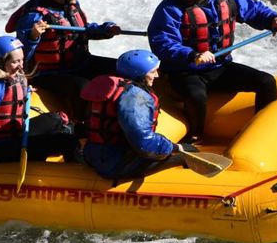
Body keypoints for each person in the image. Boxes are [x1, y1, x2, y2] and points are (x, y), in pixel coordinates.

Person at [147, 0, 277, 144]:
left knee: (266, 81)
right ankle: (195, 136)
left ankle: (262, 130)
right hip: (185, 70)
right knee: (196, 95)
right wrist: (192, 55)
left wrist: (273, 19)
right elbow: (162, 41)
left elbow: (254, 10)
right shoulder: (170, 8)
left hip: (220, 67)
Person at [4, 0, 120, 118]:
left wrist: (106, 30)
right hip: (48, 73)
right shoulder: (33, 16)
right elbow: (21, 54)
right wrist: (33, 36)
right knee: (81, 87)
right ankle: (80, 124)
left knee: (120, 67)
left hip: (79, 63)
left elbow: (82, 30)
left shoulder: (71, 5)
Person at [0, 36, 79, 163]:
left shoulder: (11, 76)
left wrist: (26, 91)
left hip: (14, 135)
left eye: (22, 60)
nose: (21, 66)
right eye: (16, 62)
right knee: (68, 142)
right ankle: (78, 173)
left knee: (55, 119)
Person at [80, 50, 195, 180]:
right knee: (185, 155)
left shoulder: (115, 87)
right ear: (139, 74)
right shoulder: (135, 97)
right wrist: (175, 147)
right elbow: (143, 142)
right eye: (152, 72)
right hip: (117, 163)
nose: (157, 75)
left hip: (93, 154)